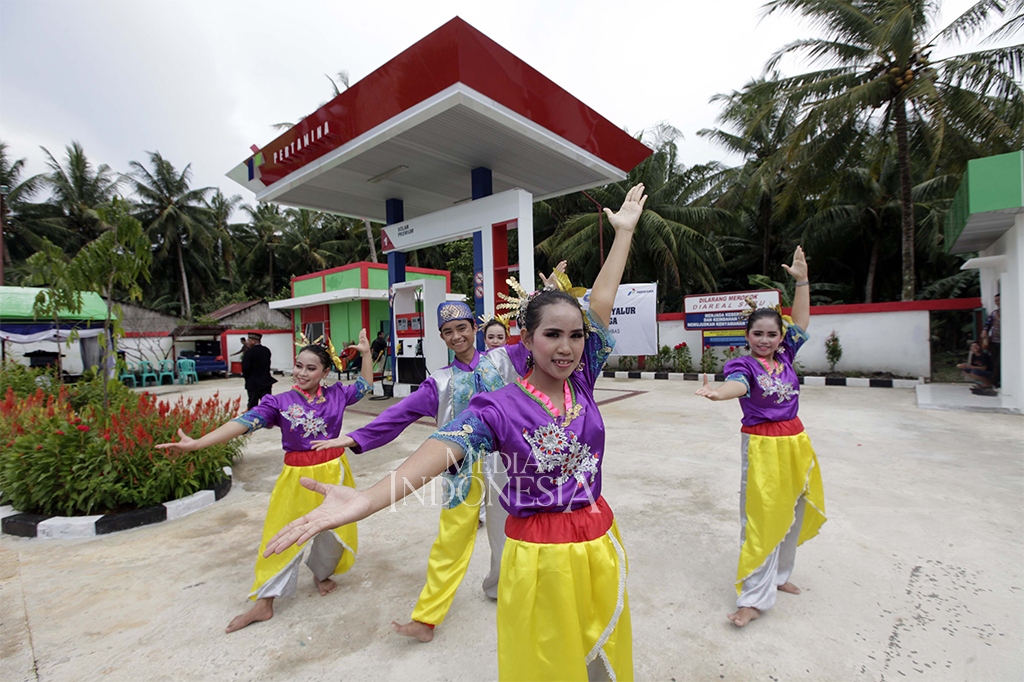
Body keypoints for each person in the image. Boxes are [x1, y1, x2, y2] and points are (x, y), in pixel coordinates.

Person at [263, 183, 647, 680]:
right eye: (553, 334)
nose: (568, 346)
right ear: (525, 339)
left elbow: (600, 303)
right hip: (538, 556)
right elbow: (440, 444)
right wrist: (368, 499)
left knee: (607, 660)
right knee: (549, 664)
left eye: (575, 336)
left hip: (598, 539)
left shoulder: (584, 382)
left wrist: (623, 235)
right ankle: (431, 612)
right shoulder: (496, 406)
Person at [309, 301, 523, 643]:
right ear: (441, 337)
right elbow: (399, 414)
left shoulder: (505, 360)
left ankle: (503, 589)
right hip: (458, 466)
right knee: (451, 539)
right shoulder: (438, 382)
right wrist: (355, 436)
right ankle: (427, 618)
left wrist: (548, 295)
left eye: (462, 328)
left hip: (508, 462)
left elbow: (546, 337)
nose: (457, 336)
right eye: (448, 332)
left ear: (474, 329)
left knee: (509, 531)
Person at [156, 331, 374, 633]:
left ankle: (321, 574)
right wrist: (198, 444)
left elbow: (365, 385)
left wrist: (365, 353)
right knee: (280, 534)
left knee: (334, 530)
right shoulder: (279, 402)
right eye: (298, 366)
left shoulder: (337, 394)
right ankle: (265, 601)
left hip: (335, 472)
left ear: (325, 373)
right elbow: (244, 422)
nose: (301, 373)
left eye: (311, 368)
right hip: (297, 477)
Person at [695, 245, 827, 628]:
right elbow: (737, 384)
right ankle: (752, 599)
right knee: (760, 519)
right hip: (763, 445)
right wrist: (720, 392)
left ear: (780, 336)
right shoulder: (743, 364)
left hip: (796, 441)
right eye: (758, 334)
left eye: (772, 334)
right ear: (747, 335)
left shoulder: (785, 356)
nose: (765, 339)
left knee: (793, 511)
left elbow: (802, 319)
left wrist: (802, 280)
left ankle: (780, 576)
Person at [241, 332, 276, 409]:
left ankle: (252, 420)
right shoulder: (266, 350)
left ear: (253, 341)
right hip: (266, 382)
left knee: (252, 405)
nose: (248, 342)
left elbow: (245, 368)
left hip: (253, 383)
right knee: (267, 405)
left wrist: (246, 377)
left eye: (249, 340)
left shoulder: (249, 352)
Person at [983, 292, 1000, 388]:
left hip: (1004, 342)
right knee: (994, 361)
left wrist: (999, 318)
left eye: (999, 300)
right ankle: (995, 381)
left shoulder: (1008, 312)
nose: (998, 302)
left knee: (999, 362)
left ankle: (994, 382)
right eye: (996, 301)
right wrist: (985, 331)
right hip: (994, 341)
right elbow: (988, 324)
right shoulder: (994, 313)